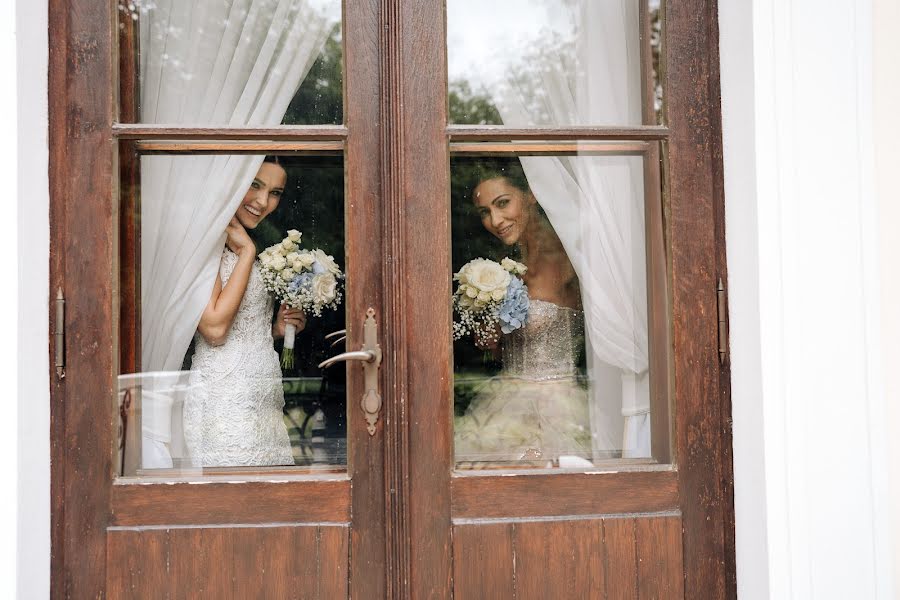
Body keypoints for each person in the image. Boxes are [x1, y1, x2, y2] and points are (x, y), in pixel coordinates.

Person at [454, 158, 593, 467]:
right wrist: (493, 339)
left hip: (556, 406)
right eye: (485, 212)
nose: (496, 220)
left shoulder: (565, 258)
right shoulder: (510, 265)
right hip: (506, 398)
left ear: (530, 194)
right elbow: (514, 343)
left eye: (503, 203)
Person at [183, 156, 306, 467]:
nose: (263, 202)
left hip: (264, 396)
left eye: (275, 192)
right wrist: (247, 253)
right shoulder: (206, 245)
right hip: (224, 400)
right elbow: (214, 329)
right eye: (255, 185)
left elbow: (243, 326)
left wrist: (276, 329)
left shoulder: (246, 243)